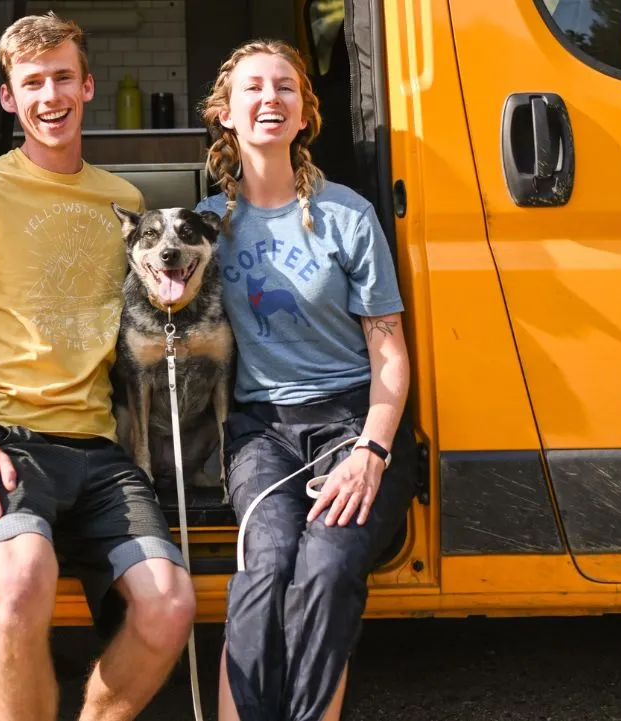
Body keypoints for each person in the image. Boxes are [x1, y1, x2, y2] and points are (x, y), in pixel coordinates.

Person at [0, 13, 196, 721]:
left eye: (62, 77)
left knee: (170, 606)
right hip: (8, 443)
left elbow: (150, 324)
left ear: (87, 85)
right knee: (19, 582)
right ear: (9, 97)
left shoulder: (125, 204)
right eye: (31, 82)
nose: (49, 95)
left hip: (98, 450)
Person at [194, 40, 418, 721]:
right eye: (254, 89)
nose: (270, 99)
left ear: (302, 114)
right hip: (262, 429)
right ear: (226, 114)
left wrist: (370, 453)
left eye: (285, 88)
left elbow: (388, 351)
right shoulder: (208, 223)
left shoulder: (346, 213)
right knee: (265, 569)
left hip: (351, 420)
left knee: (324, 569)